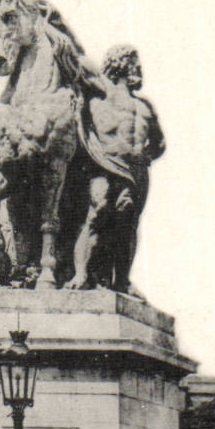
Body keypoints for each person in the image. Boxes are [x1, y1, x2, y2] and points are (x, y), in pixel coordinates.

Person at [72, 45, 166, 294]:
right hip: (105, 164)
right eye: (133, 64)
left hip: (136, 171)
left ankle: (121, 280)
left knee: (127, 221)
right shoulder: (98, 96)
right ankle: (81, 274)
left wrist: (146, 155)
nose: (138, 69)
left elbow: (159, 143)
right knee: (98, 211)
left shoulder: (145, 107)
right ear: (120, 65)